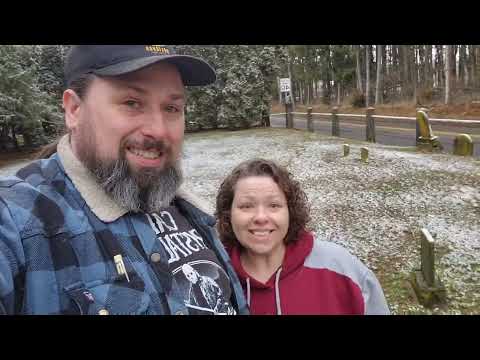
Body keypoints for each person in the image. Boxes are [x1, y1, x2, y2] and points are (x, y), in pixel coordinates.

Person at [0, 45, 248, 315]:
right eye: (132, 103)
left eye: (172, 107)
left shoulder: (186, 207)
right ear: (74, 109)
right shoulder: (20, 222)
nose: (158, 130)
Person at [215, 158, 390, 315]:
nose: (261, 217)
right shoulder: (212, 277)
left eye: (274, 205)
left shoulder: (342, 270)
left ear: (290, 212)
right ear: (227, 213)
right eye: (246, 206)